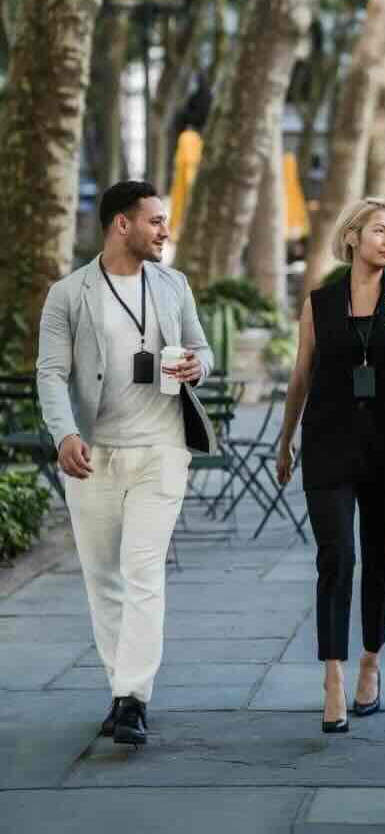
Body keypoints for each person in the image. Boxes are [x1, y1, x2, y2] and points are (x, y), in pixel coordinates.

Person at [37, 181, 215, 747]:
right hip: (94, 455)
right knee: (103, 580)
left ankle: (132, 698)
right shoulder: (69, 294)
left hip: (162, 449)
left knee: (143, 573)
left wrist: (196, 367)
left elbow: (202, 349)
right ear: (122, 224)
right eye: (156, 221)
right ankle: (123, 690)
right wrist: (64, 433)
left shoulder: (173, 283)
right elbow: (50, 373)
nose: (165, 231)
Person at [276, 196, 385, 733]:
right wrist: (285, 439)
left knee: (380, 555)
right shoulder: (320, 304)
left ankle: (370, 662)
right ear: (352, 236)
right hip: (328, 440)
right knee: (336, 559)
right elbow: (302, 374)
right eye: (379, 229)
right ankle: (333, 675)